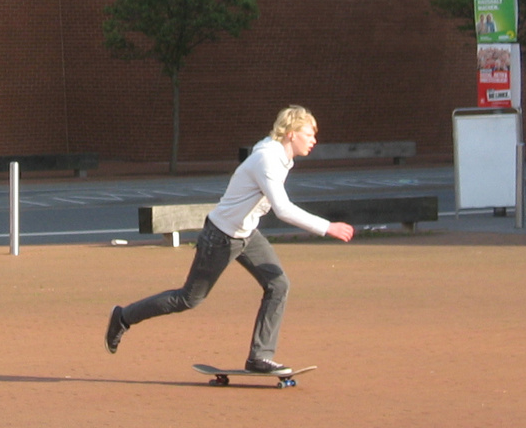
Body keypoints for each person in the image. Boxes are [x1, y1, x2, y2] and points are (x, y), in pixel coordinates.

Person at [104, 105, 354, 373]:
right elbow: (282, 209)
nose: (314, 139)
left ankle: (260, 357)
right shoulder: (267, 160)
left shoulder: (281, 156)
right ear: (291, 134)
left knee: (278, 285)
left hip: (247, 233)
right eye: (309, 133)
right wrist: (327, 227)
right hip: (221, 236)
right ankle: (124, 317)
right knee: (188, 298)